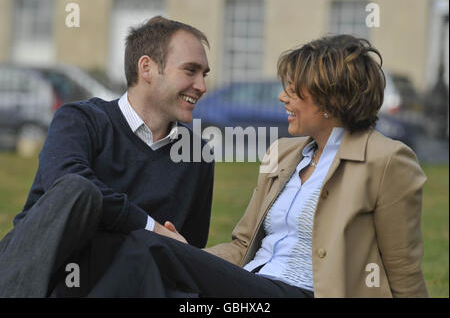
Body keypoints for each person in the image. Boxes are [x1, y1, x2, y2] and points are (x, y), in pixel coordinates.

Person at [87, 34, 428, 298]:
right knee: (150, 261)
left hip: (300, 291)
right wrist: (188, 255)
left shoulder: (386, 160)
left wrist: (173, 254)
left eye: (295, 91)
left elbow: (403, 267)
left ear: (331, 99)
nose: (283, 97)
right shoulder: (283, 154)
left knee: (151, 247)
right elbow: (241, 245)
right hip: (254, 290)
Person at [0, 16, 214, 297]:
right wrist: (151, 227)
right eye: (190, 71)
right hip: (40, 281)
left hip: (119, 286)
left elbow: (186, 249)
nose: (201, 86)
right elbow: (69, 186)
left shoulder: (198, 156)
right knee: (79, 189)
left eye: (204, 74)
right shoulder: (79, 120)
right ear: (147, 68)